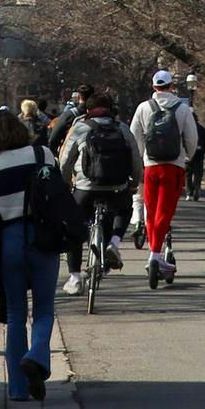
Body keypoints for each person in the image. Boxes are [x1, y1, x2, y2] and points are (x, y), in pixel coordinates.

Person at [0, 110, 61, 400]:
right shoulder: (42, 154)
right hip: (43, 236)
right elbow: (57, 189)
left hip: (9, 237)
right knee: (44, 309)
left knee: (15, 314)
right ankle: (37, 356)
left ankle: (18, 389)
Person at [58, 91, 142, 292]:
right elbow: (136, 159)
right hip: (116, 187)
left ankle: (75, 277)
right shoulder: (122, 129)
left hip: (85, 187)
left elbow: (66, 160)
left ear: (87, 110)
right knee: (123, 210)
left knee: (74, 227)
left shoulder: (80, 128)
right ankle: (114, 242)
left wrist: (65, 184)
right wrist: (133, 183)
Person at [130, 69, 201, 280]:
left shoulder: (143, 108)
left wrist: (142, 159)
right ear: (172, 86)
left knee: (151, 211)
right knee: (165, 212)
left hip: (150, 166)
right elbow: (192, 138)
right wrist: (186, 156)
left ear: (153, 87)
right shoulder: (182, 108)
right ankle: (155, 254)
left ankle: (154, 252)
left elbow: (135, 138)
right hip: (174, 166)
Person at [47, 85, 92, 155]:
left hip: (73, 158)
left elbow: (53, 140)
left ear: (79, 97)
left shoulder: (69, 115)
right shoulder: (103, 116)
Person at [187, 124, 205, 202]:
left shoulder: (188, 128)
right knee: (198, 172)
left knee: (188, 173)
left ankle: (189, 192)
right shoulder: (202, 129)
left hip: (189, 153)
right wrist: (204, 150)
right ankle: (197, 186)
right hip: (199, 152)